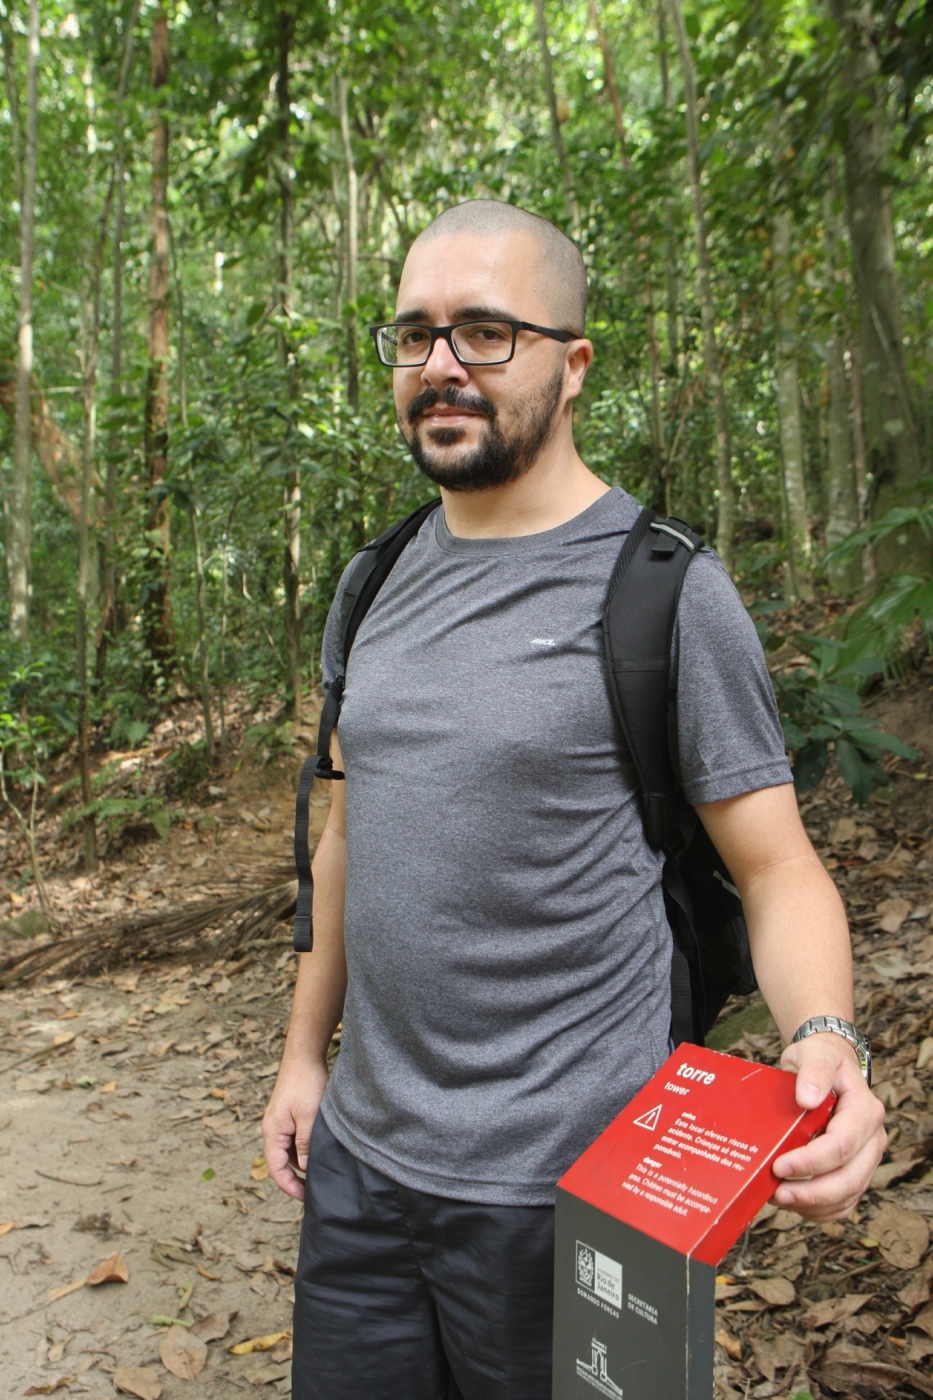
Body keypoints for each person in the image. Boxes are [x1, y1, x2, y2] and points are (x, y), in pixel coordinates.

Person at [262, 201, 885, 1400]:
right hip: (365, 1172)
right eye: (415, 334)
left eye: (487, 332)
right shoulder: (373, 578)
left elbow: (776, 865)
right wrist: (304, 1057)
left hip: (584, 1190)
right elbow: (350, 830)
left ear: (573, 362)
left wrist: (827, 1041)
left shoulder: (665, 592)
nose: (441, 365)